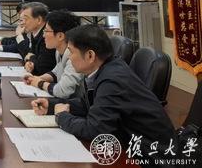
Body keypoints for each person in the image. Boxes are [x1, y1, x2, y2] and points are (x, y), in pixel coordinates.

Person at [31, 25, 176, 153]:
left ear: (90, 55)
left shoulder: (112, 80)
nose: (70, 58)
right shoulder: (104, 69)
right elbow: (88, 104)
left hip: (149, 156)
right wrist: (52, 105)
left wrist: (62, 117)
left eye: (72, 52)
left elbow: (95, 130)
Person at [23, 10, 83, 98]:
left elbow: (63, 91)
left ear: (60, 36)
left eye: (46, 31)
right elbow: (55, 72)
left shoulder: (74, 57)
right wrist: (37, 78)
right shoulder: (59, 51)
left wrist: (40, 83)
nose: (43, 35)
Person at [18, 2, 56, 75]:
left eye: (25, 19)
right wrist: (30, 61)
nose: (22, 23)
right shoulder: (35, 32)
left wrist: (31, 57)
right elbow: (28, 55)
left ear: (39, 20)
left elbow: (42, 67)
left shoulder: (48, 35)